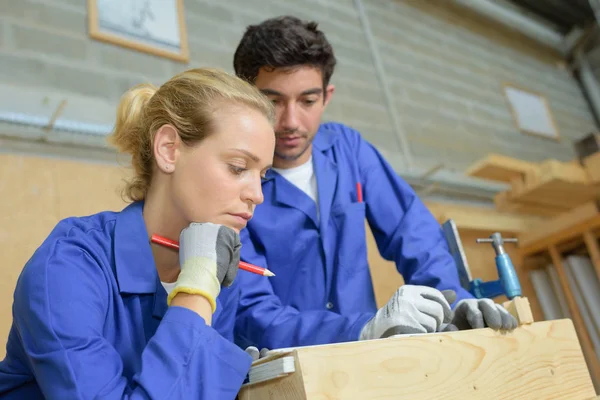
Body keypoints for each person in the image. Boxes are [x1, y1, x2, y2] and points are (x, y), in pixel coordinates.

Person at [231, 16, 517, 351]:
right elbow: (253, 312)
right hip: (286, 366)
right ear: (247, 99)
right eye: (273, 101)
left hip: (368, 357)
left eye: (307, 101)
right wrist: (364, 327)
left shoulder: (348, 150)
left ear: (326, 96)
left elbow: (412, 232)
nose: (291, 122)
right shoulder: (232, 183)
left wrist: (453, 301)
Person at [0, 68, 276, 399]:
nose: (257, 195)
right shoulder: (66, 268)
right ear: (169, 149)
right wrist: (196, 291)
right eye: (238, 167)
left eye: (263, 175)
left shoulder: (219, 272)